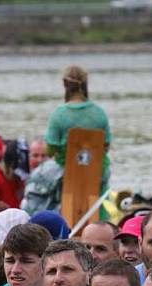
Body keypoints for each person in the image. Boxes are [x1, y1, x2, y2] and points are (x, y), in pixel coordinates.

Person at [45, 65, 111, 195]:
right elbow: (106, 146)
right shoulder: (99, 113)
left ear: (65, 85)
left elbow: (50, 150)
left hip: (66, 178)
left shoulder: (58, 115)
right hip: (97, 176)